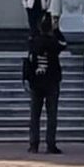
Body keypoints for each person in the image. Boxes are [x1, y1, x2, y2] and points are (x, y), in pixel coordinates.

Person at [23, 14, 67, 154]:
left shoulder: (34, 42)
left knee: (35, 115)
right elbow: (64, 44)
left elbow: (29, 60)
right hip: (51, 82)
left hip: (36, 82)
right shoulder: (53, 42)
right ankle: (50, 144)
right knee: (51, 114)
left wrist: (26, 78)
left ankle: (33, 144)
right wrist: (57, 30)